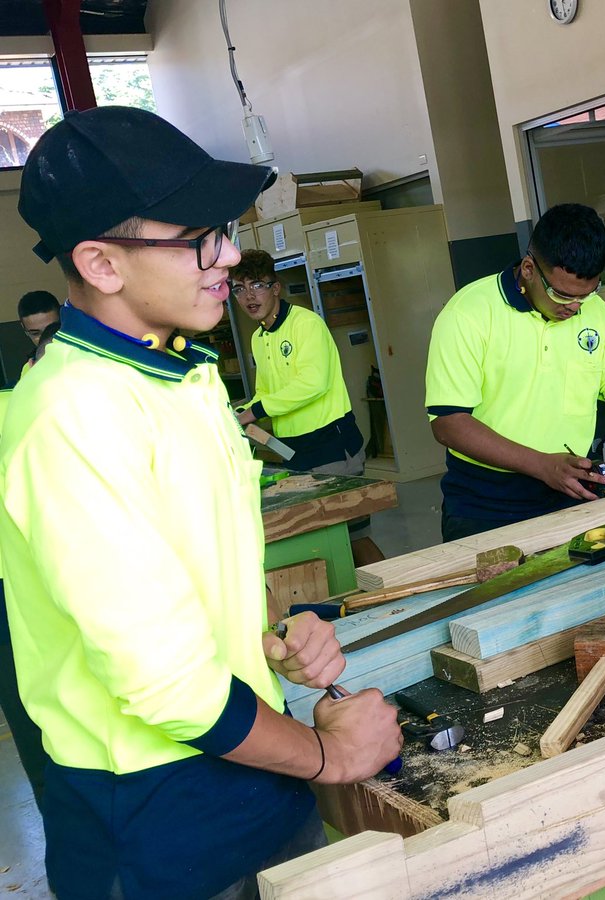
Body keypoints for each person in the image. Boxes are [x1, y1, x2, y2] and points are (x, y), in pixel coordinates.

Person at [5, 105, 402, 900]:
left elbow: (194, 566)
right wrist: (331, 756)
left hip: (248, 761)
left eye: (223, 230)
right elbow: (164, 686)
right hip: (155, 814)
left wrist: (268, 634)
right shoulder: (71, 415)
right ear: (102, 264)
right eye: (197, 239)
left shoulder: (184, 372)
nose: (226, 256)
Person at [425, 203, 605, 541]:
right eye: (561, 294)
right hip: (486, 506)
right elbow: (449, 423)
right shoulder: (468, 314)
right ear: (529, 268)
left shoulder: (599, 317)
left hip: (571, 495)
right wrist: (542, 465)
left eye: (586, 295)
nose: (574, 307)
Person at [231, 249, 367, 476]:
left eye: (257, 285)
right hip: (292, 451)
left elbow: (313, 383)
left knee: (342, 500)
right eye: (239, 289)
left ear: (275, 288)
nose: (249, 296)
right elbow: (265, 392)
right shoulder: (259, 337)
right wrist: (238, 414)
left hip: (329, 445)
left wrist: (254, 411)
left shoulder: (306, 324)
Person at [15, 289, 60, 378]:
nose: (44, 337)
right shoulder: (28, 370)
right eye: (35, 333)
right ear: (24, 329)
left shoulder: (85, 357)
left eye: (52, 330)